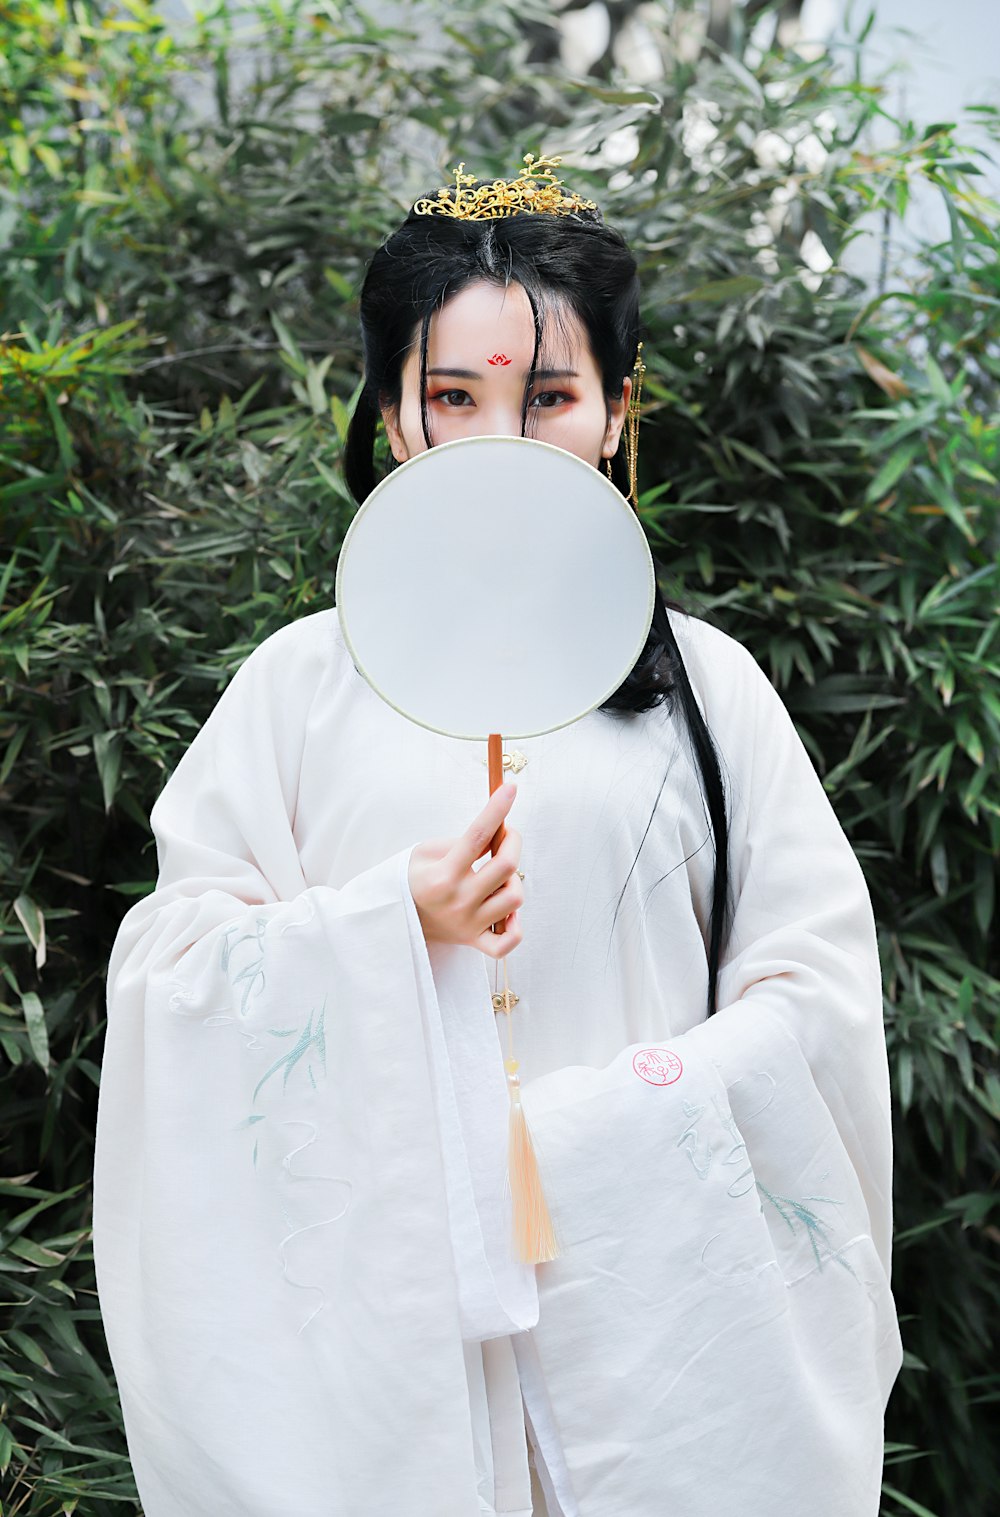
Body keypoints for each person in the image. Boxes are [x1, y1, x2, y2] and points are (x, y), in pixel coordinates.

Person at [93, 155, 903, 1517]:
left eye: (550, 396)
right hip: (388, 1339)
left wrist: (601, 1133)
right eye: (454, 396)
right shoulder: (300, 684)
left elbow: (813, 989)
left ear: (616, 414)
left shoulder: (708, 689)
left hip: (655, 1322)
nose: (501, 435)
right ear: (397, 420)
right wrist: (384, 919)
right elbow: (172, 969)